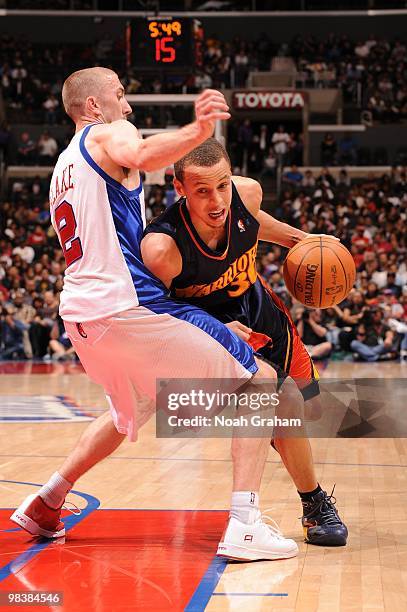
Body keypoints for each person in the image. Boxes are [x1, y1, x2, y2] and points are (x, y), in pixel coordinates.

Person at [11, 67, 300, 562]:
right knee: (262, 382)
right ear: (92, 107)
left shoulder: (62, 166)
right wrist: (199, 131)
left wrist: (201, 330)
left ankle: (48, 499)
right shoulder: (106, 132)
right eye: (120, 96)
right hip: (127, 308)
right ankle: (245, 524)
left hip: (83, 321)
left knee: (139, 405)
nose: (128, 107)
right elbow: (141, 153)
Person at [141, 138, 348, 547]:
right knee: (281, 401)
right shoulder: (162, 249)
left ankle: (298, 488)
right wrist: (210, 330)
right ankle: (311, 503)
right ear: (179, 189)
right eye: (202, 190)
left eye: (223, 186)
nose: (218, 200)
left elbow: (252, 220)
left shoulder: (247, 193)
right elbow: (155, 311)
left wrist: (300, 240)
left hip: (259, 310)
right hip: (211, 329)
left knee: (309, 406)